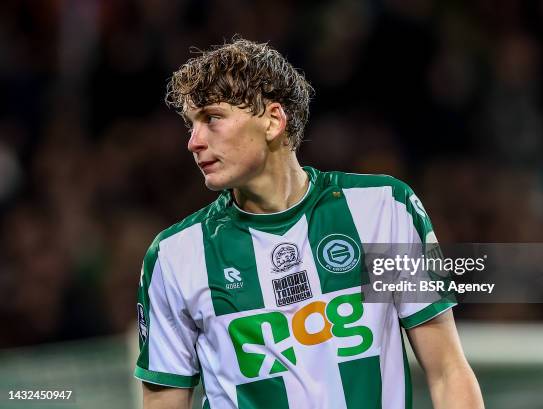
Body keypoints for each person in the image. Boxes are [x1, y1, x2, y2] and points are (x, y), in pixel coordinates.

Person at [135, 38, 484, 409]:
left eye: (212, 119)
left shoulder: (384, 210)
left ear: (272, 121)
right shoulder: (174, 256)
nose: (194, 141)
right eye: (191, 125)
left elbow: (447, 371)